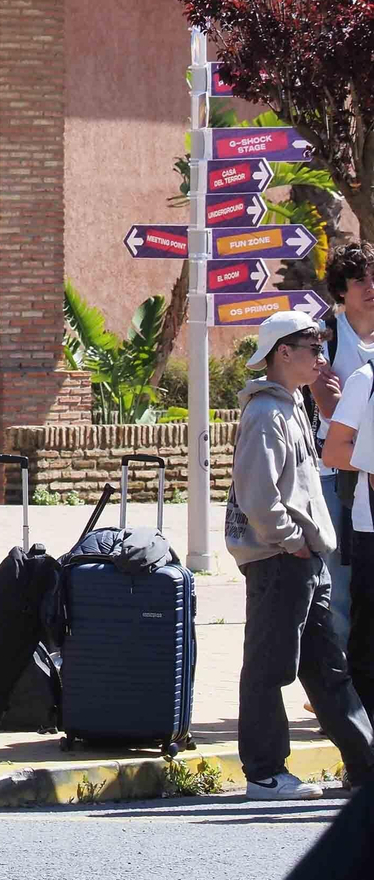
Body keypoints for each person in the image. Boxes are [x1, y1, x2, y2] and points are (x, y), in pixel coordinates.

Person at [228, 310, 374, 799]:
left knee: (328, 667)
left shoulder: (291, 405)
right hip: (280, 559)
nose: (321, 357)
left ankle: (365, 764)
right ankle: (266, 774)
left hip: (304, 557)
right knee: (269, 667)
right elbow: (257, 495)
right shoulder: (266, 412)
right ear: (282, 353)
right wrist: (290, 541)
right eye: (312, 348)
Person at [311, 242, 374, 633]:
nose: (370, 286)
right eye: (359, 280)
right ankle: (334, 689)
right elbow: (331, 409)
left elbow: (341, 402)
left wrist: (349, 398)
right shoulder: (325, 337)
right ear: (340, 290)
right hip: (336, 474)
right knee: (338, 585)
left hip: (369, 469)